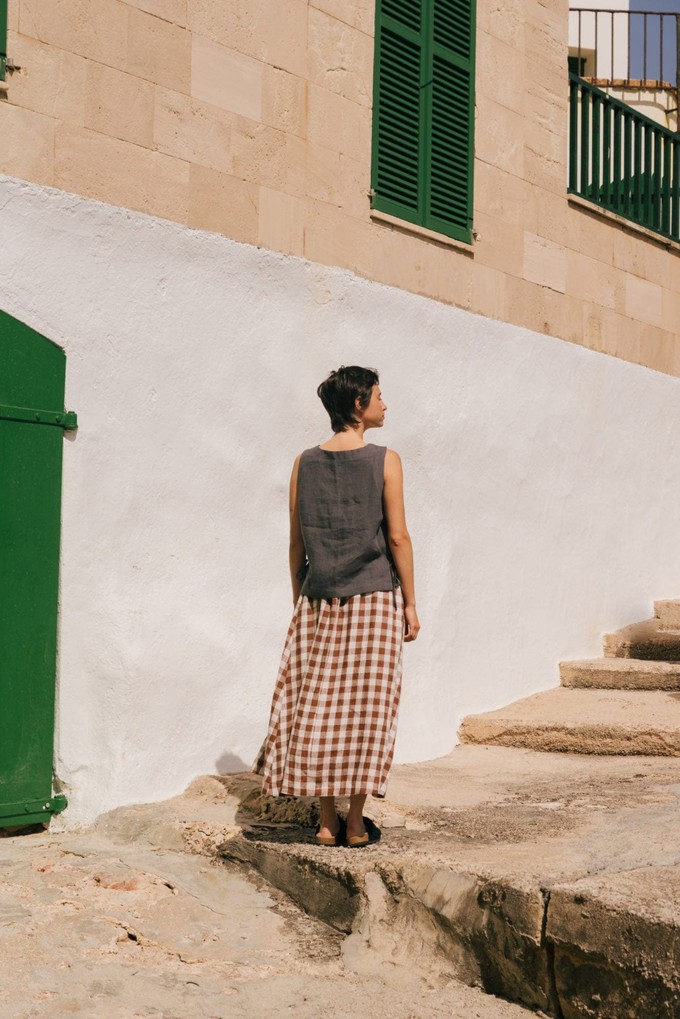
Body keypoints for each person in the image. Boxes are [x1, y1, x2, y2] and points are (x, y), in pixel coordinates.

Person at [253, 366, 419, 848]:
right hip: (373, 599)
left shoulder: (303, 463)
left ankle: (325, 821)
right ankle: (354, 821)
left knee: (318, 705)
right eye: (379, 397)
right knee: (367, 708)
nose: (386, 405)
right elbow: (399, 536)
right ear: (357, 407)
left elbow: (294, 542)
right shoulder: (386, 460)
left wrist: (299, 594)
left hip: (317, 598)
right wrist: (410, 603)